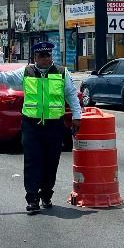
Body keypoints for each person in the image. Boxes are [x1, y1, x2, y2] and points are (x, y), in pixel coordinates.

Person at [20, 41, 82, 213]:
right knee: (32, 162)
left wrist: (77, 116)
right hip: (31, 125)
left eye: (48, 55)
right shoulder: (27, 72)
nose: (46, 59)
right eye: (42, 56)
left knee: (51, 162)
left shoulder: (62, 72)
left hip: (54, 125)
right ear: (35, 58)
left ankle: (46, 194)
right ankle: (32, 198)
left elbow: (71, 95)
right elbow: (3, 77)